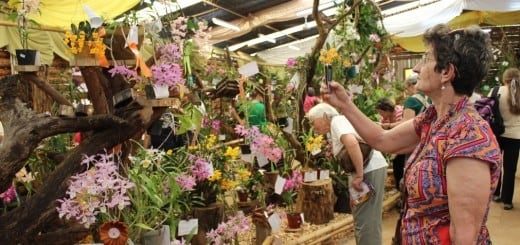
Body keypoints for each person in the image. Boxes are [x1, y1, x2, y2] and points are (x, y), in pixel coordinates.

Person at [321, 24, 501, 244]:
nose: (416, 68)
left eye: (426, 59)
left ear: (446, 72)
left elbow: (464, 236)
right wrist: (345, 104)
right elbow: (382, 139)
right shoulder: (435, 117)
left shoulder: (468, 137)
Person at [308, 103, 388, 245]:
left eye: (314, 122)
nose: (313, 127)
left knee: (366, 220)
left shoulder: (337, 121)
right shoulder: (339, 122)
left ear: (325, 116)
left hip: (367, 170)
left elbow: (352, 143)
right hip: (367, 169)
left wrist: (359, 176)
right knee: (364, 217)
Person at [492, 67, 520, 210]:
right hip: (516, 136)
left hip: (497, 134)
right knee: (510, 169)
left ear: (505, 78)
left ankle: (496, 193)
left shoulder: (496, 91)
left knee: (496, 165)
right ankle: (507, 201)